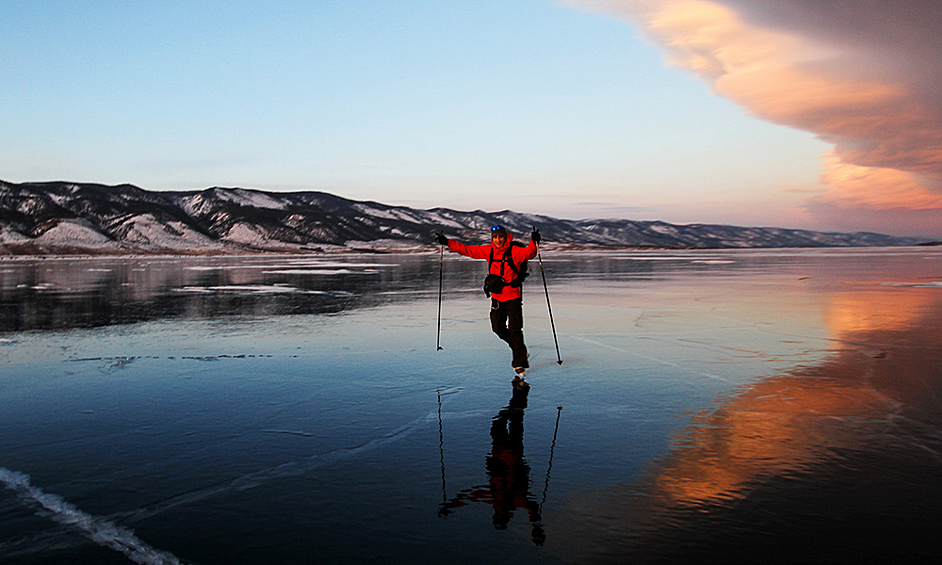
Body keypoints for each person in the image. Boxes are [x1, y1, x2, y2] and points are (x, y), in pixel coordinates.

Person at [436, 225, 540, 378]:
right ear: (492, 238)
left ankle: (519, 363)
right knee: (497, 328)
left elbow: (530, 253)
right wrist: (448, 243)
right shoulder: (489, 250)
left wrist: (534, 241)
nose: (498, 240)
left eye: (500, 237)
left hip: (513, 297)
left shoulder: (514, 251)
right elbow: (468, 250)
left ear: (505, 237)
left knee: (515, 330)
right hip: (497, 297)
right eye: (495, 237)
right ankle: (520, 350)